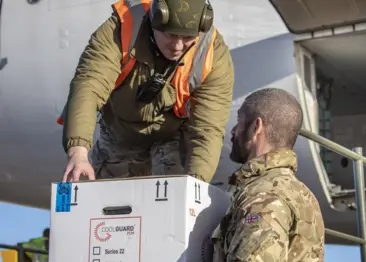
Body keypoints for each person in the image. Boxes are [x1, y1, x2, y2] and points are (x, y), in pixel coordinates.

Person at [58, 0, 234, 183]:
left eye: (187, 38)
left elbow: (207, 129)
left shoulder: (212, 55)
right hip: (119, 138)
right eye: (170, 34)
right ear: (154, 20)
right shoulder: (122, 29)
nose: (178, 46)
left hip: (172, 140)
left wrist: (196, 183)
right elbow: (89, 87)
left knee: (174, 200)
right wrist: (77, 152)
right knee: (101, 202)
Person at [211, 88, 325, 262]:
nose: (233, 131)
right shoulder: (302, 193)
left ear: (256, 127)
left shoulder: (263, 196)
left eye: (239, 122)